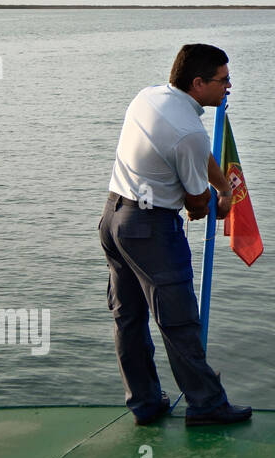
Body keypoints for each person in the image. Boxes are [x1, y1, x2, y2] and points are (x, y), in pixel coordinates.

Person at [99, 44, 254, 427]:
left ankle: (145, 403)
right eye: (223, 79)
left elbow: (198, 158)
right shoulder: (189, 133)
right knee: (180, 322)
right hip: (150, 230)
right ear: (198, 83)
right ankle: (206, 405)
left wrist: (225, 188)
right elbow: (195, 203)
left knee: (128, 317)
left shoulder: (149, 97)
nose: (229, 86)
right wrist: (213, 204)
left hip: (114, 218)